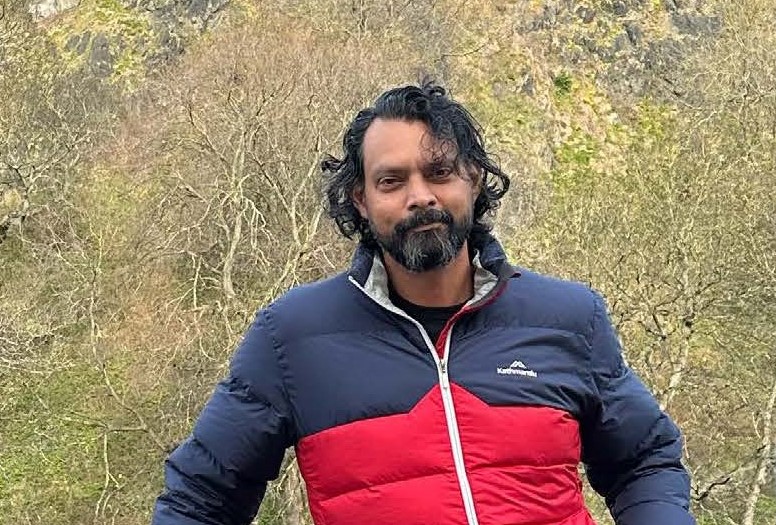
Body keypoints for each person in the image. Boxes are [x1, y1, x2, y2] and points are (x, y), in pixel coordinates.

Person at [152, 82, 695, 525]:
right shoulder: (291, 337)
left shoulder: (569, 318)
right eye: (392, 181)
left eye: (439, 172)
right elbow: (201, 500)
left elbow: (644, 461)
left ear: (474, 179)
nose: (421, 196)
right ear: (361, 201)